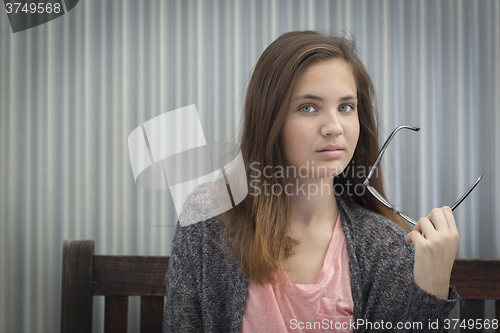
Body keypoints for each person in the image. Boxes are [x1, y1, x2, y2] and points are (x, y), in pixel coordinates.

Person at [163, 30, 459, 333]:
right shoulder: (209, 218)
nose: (334, 127)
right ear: (269, 121)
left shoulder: (386, 248)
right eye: (308, 107)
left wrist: (433, 287)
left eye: (346, 107)